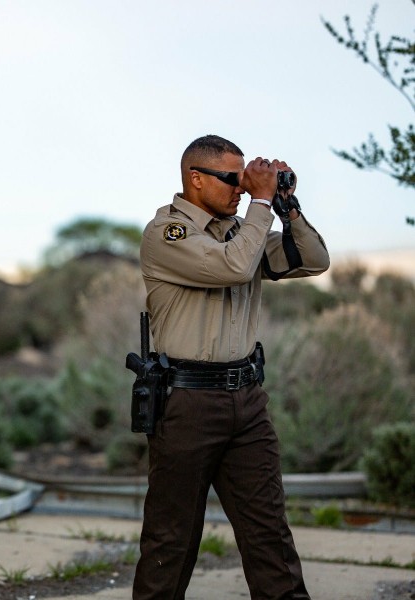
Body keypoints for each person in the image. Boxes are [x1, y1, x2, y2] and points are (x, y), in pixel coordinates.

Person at [133, 134, 330, 599]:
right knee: (171, 539)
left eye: (244, 180)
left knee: (269, 535)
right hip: (187, 404)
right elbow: (233, 268)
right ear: (195, 180)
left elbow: (315, 261)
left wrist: (286, 207)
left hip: (247, 401)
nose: (241, 189)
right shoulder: (168, 234)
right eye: (231, 179)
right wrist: (260, 203)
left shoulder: (241, 231)